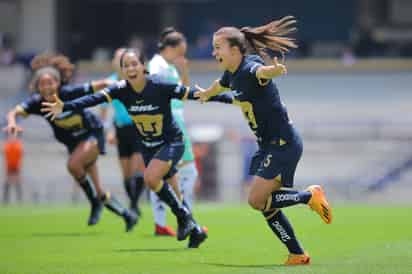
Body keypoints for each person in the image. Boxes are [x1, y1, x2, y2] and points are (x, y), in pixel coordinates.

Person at [194, 16, 333, 265]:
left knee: (255, 200)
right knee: (267, 205)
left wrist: (275, 71)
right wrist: (206, 93)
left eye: (218, 47)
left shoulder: (249, 68)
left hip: (283, 144)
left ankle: (308, 196)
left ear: (235, 50)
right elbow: (220, 85)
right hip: (270, 145)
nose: (214, 52)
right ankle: (298, 254)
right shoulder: (232, 74)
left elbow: (262, 72)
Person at [41, 49, 208, 248]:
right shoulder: (119, 88)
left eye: (134, 64)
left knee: (151, 179)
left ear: (143, 66)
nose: (130, 68)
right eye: (126, 65)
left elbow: (192, 94)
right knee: (169, 189)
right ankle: (194, 229)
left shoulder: (158, 84)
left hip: (168, 141)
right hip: (146, 143)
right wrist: (66, 107)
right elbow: (93, 99)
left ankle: (182, 218)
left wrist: (228, 97)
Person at [4, 53, 137, 231]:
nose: (47, 87)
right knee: (98, 189)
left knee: (73, 165)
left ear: (58, 83)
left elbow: (102, 84)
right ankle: (128, 216)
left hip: (92, 134)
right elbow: (14, 112)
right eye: (42, 84)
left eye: (50, 82)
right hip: (75, 145)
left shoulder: (69, 93)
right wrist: (12, 122)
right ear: (37, 87)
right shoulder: (37, 103)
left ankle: (94, 203)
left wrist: (126, 83)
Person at [147, 27, 206, 237]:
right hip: (171, 123)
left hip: (175, 119)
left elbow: (183, 94)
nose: (183, 56)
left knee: (164, 175)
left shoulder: (169, 67)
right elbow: (152, 91)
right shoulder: (157, 66)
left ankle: (168, 222)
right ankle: (185, 218)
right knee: (188, 172)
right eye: (181, 51)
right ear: (170, 48)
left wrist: (184, 72)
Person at [100, 48, 145, 217]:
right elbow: (103, 113)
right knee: (126, 173)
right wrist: (108, 132)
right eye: (118, 58)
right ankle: (133, 203)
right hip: (120, 130)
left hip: (137, 128)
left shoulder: (136, 81)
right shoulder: (110, 83)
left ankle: (133, 205)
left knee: (136, 168)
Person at [2, 133, 23, 204]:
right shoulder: (8, 146)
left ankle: (19, 199)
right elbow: (6, 155)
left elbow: (19, 156)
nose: (12, 138)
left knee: (17, 183)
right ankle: (5, 200)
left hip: (16, 167)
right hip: (9, 167)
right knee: (7, 183)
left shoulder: (18, 146)